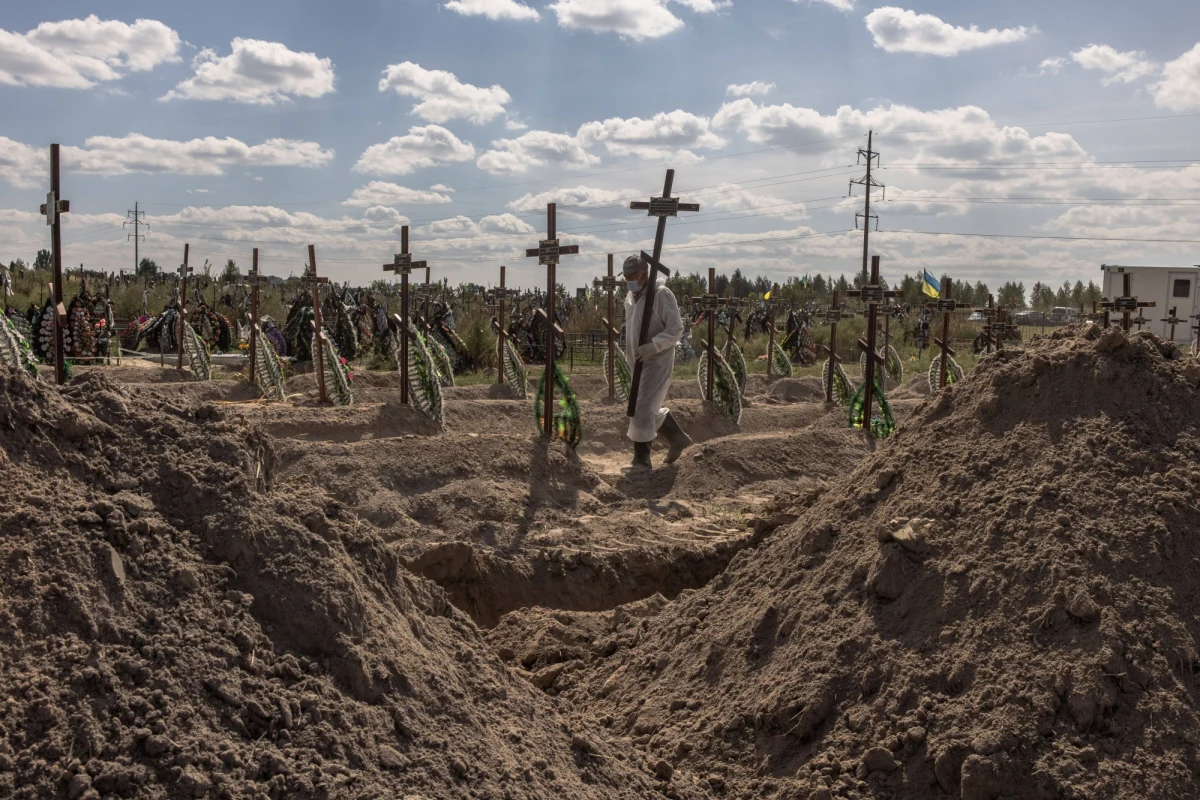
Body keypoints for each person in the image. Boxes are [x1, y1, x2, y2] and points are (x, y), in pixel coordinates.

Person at [623, 254, 692, 471]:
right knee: (646, 405)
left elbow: (675, 329)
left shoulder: (661, 295)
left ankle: (642, 460)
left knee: (641, 405)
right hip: (638, 359)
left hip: (657, 359)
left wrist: (654, 345)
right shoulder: (631, 297)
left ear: (644, 274)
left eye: (631, 276)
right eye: (625, 276)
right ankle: (677, 438)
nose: (628, 280)